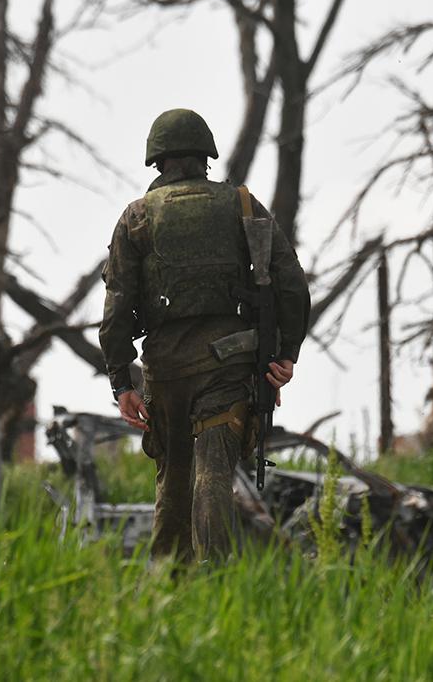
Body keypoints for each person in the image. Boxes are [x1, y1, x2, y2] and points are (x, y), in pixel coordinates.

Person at [98, 108, 310, 561]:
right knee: (213, 473)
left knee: (173, 482)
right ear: (205, 156)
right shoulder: (243, 206)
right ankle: (215, 586)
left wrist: (121, 382)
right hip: (229, 365)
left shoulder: (137, 217)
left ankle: (169, 591)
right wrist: (286, 354)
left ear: (157, 162)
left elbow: (116, 306)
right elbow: (291, 284)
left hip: (166, 371)